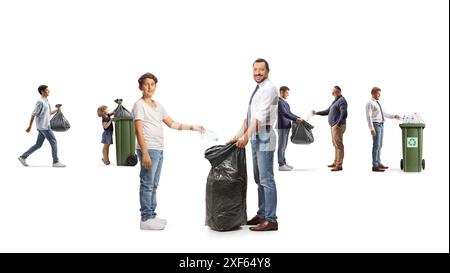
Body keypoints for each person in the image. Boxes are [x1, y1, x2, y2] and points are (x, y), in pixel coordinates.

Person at [132, 72, 203, 230]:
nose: (150, 87)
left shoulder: (158, 106)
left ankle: (152, 215)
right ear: (140, 87)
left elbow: (172, 124)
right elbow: (138, 130)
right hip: (148, 149)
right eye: (146, 84)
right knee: (147, 184)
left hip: (159, 149)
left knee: (154, 185)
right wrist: (144, 153)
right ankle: (145, 218)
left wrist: (193, 127)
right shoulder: (139, 105)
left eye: (152, 84)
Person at [230, 58, 279, 231]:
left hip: (264, 134)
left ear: (268, 71)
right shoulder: (258, 88)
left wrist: (246, 136)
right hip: (255, 135)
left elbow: (259, 117)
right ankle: (262, 214)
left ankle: (271, 220)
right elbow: (250, 116)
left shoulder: (269, 88)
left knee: (266, 179)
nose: (258, 73)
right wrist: (237, 136)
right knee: (259, 179)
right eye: (255, 69)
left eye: (261, 70)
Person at [18, 85, 66, 167]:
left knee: (38, 145)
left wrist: (57, 110)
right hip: (44, 127)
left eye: (48, 90)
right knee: (54, 142)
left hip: (42, 127)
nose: (49, 91)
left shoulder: (46, 101)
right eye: (47, 90)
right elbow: (33, 114)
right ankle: (55, 162)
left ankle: (23, 157)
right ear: (42, 92)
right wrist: (29, 126)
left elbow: (48, 114)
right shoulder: (40, 102)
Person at [312, 85, 348, 171]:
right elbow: (328, 111)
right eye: (332, 91)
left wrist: (337, 124)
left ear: (339, 92)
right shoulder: (335, 101)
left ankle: (339, 165)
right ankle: (336, 162)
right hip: (333, 126)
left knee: (339, 145)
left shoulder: (342, 101)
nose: (332, 93)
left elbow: (344, 114)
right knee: (335, 145)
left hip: (337, 126)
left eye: (334, 91)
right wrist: (317, 113)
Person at [365, 87, 400, 172]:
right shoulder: (370, 103)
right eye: (378, 94)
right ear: (373, 93)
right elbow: (368, 116)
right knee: (376, 145)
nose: (379, 95)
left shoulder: (377, 103)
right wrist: (371, 128)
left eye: (380, 94)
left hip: (381, 125)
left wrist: (393, 116)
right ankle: (375, 165)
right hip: (376, 125)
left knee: (380, 145)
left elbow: (382, 113)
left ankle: (378, 162)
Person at [277, 86, 304, 171]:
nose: (288, 94)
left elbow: (289, 113)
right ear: (281, 92)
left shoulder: (285, 102)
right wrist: (296, 119)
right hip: (281, 126)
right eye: (286, 92)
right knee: (281, 146)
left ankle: (284, 163)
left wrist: (298, 117)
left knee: (284, 146)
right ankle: (281, 165)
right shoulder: (279, 101)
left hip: (286, 126)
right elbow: (284, 114)